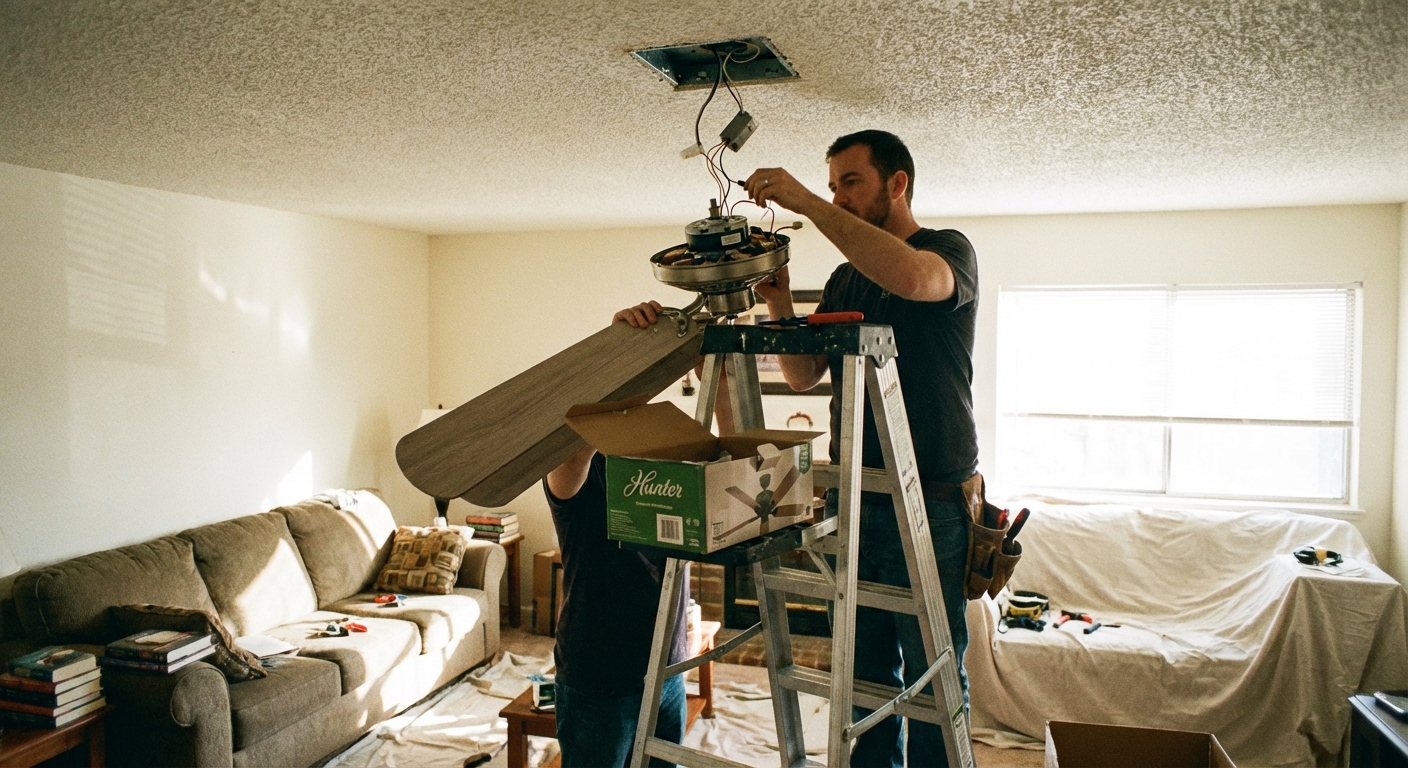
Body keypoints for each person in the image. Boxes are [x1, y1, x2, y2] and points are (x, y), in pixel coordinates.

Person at [744, 130, 979, 768]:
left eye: (851, 183)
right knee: (863, 668)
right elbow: (803, 375)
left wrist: (808, 206)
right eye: (831, 187)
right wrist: (781, 301)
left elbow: (915, 279)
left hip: (930, 495)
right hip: (857, 489)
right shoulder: (847, 279)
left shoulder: (947, 251)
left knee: (933, 668)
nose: (837, 197)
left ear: (896, 184)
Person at [543, 300, 696, 768]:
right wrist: (622, 356)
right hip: (598, 677)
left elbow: (727, 464)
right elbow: (577, 451)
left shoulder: (664, 462)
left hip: (667, 668)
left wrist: (717, 369)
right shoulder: (575, 469)